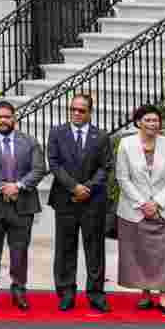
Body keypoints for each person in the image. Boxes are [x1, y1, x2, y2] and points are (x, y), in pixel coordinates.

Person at [0, 99, 46, 310]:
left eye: (7, 116)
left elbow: (39, 169)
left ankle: (19, 291)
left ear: (15, 118)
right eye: (0, 116)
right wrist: (2, 187)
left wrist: (18, 186)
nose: (3, 120)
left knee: (19, 251)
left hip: (22, 205)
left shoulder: (30, 142)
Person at [46, 92, 112, 312]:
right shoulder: (57, 133)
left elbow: (105, 167)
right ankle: (66, 293)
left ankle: (96, 294)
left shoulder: (101, 137)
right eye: (73, 109)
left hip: (93, 201)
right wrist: (73, 187)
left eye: (81, 110)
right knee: (65, 249)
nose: (76, 113)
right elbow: (54, 163)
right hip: (65, 199)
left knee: (94, 249)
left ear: (90, 113)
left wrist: (88, 188)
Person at [114, 105, 165, 314]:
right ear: (138, 123)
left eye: (156, 120)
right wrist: (143, 203)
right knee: (140, 253)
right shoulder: (126, 144)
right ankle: (145, 293)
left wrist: (157, 203)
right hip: (135, 210)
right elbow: (122, 177)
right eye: (148, 120)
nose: (153, 124)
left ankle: (163, 296)